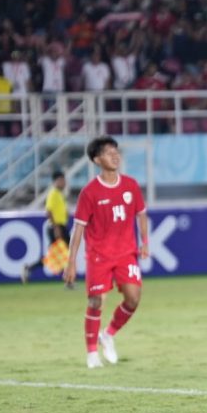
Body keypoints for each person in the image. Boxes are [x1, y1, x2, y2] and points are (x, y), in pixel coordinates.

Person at [64, 136, 150, 369]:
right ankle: (92, 353)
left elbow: (141, 213)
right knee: (95, 301)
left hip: (126, 253)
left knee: (133, 298)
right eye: (108, 152)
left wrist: (145, 242)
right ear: (96, 159)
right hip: (98, 255)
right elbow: (78, 228)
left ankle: (108, 334)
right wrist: (71, 262)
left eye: (116, 150)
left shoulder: (131, 185)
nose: (115, 155)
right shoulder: (89, 193)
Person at [21, 171, 70, 284]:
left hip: (61, 226)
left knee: (60, 253)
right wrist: (56, 227)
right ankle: (67, 278)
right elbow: (48, 211)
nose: (64, 183)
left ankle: (30, 268)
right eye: (62, 180)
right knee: (64, 252)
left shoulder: (59, 194)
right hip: (56, 227)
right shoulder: (53, 194)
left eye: (64, 180)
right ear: (56, 181)